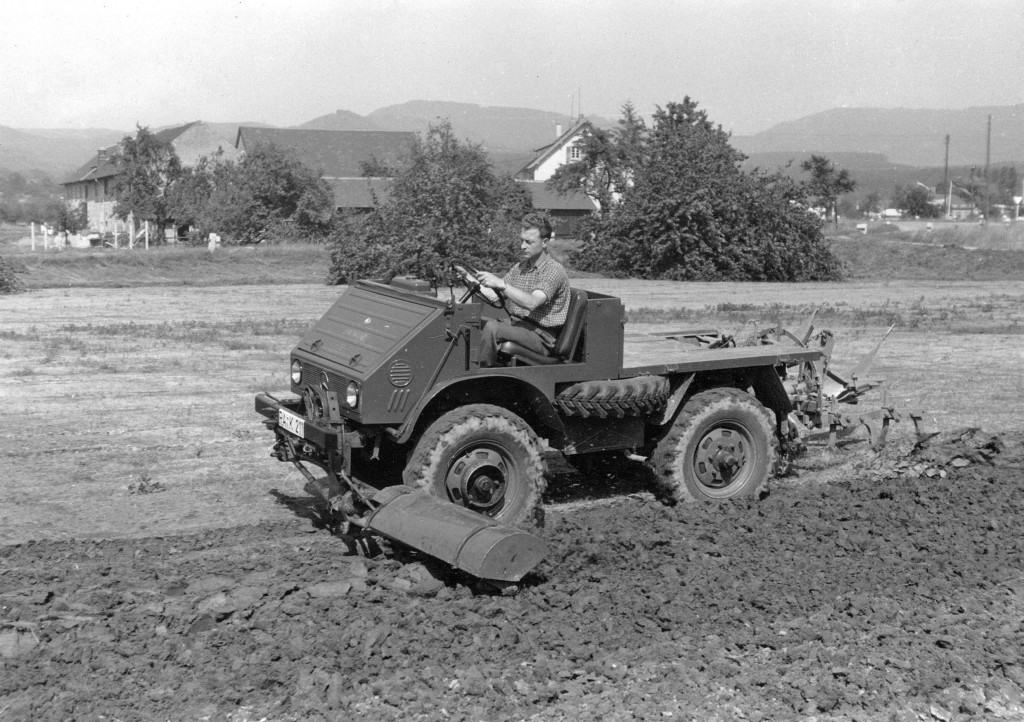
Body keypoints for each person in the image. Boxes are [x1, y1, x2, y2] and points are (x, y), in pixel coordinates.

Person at [475, 213, 570, 367]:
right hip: (518, 326)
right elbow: (494, 297)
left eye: (528, 242)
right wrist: (470, 279)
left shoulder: (553, 270)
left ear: (545, 242)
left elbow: (532, 302)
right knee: (474, 323)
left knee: (493, 328)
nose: (522, 246)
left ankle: (482, 375)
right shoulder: (520, 267)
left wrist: (502, 284)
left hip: (541, 337)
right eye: (522, 241)